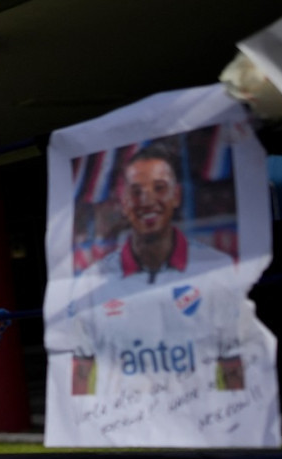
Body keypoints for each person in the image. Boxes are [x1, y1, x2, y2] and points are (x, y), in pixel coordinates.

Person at [61, 145, 245, 396]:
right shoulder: (92, 281)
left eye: (159, 188)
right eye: (136, 192)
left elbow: (233, 363)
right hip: (124, 428)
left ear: (176, 195)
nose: (147, 201)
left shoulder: (216, 268)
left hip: (197, 427)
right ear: (124, 203)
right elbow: (80, 369)